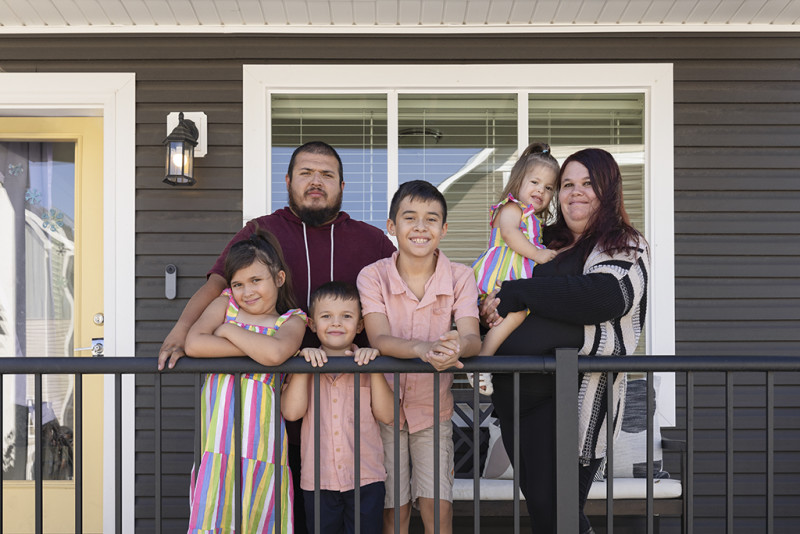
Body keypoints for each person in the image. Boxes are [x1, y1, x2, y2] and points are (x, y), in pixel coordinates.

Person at [158, 141, 396, 533]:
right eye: (306, 173)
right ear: (288, 181)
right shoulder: (261, 232)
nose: (316, 182)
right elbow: (219, 282)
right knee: (287, 508)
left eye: (326, 175)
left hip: (350, 404)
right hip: (280, 402)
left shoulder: (370, 241)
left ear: (342, 184)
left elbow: (406, 282)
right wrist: (180, 331)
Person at [489, 148, 651, 534]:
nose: (575, 193)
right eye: (567, 185)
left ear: (608, 190)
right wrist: (494, 304)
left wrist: (523, 293)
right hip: (516, 404)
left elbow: (603, 296)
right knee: (547, 516)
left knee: (558, 514)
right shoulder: (543, 241)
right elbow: (505, 285)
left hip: (573, 403)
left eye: (588, 184)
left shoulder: (623, 244)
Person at [357, 180, 481, 534]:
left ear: (444, 229)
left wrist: (458, 346)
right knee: (392, 513)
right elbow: (379, 337)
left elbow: (472, 338)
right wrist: (422, 351)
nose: (420, 227)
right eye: (410, 218)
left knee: (438, 510)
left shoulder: (460, 276)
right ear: (392, 226)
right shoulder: (373, 276)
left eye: (431, 219)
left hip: (434, 410)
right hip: (384, 411)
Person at [184, 229, 307, 533]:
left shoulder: (292, 320)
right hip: (217, 445)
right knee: (214, 519)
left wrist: (227, 332)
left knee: (260, 519)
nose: (246, 291)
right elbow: (194, 345)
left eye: (256, 280)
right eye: (238, 283)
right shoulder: (226, 304)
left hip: (262, 448)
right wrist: (257, 348)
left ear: (278, 279)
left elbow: (277, 351)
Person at [281, 281, 394, 534]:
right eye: (326, 316)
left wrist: (373, 369)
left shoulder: (370, 364)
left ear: (360, 324)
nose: (335, 323)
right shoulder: (302, 366)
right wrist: (302, 367)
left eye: (346, 316)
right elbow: (291, 412)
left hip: (366, 479)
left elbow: (389, 416)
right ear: (311, 324)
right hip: (319, 481)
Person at [469, 141, 560, 395]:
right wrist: (538, 254)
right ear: (518, 180)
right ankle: (483, 360)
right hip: (501, 274)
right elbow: (509, 234)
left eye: (548, 187)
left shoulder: (533, 220)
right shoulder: (511, 207)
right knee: (516, 313)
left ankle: (486, 356)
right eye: (534, 182)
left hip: (514, 281)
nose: (540, 190)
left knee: (514, 317)